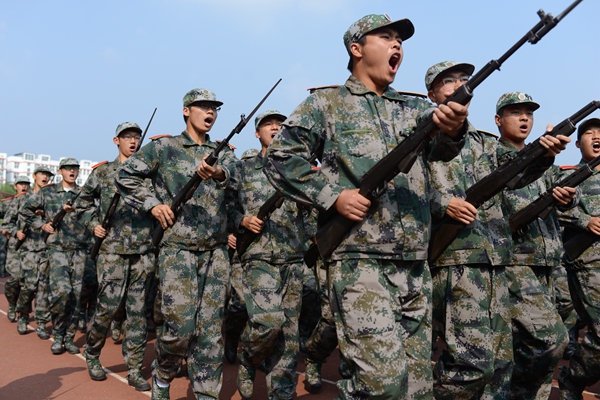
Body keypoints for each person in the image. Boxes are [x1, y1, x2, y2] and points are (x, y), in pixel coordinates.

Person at [263, 15, 471, 399]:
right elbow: (280, 158)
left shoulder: (413, 109)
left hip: (413, 263)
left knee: (417, 388)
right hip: (360, 262)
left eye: (400, 40)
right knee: (381, 386)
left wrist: (454, 127)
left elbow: (442, 152)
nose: (397, 45)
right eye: (386, 37)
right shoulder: (326, 104)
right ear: (356, 49)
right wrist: (333, 196)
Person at [424, 62, 570, 399]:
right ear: (432, 94)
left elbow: (514, 179)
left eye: (464, 79)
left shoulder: (485, 143)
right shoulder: (419, 134)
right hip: (455, 258)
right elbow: (401, 184)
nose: (459, 85)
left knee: (501, 366)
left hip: (496, 258)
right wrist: (442, 202)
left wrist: (542, 157)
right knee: (471, 366)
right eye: (449, 80)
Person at [115, 88, 238, 400]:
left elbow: (239, 181)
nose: (210, 112)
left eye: (214, 108)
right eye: (203, 107)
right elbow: (126, 175)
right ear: (186, 110)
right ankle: (164, 374)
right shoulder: (164, 147)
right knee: (180, 328)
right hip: (177, 250)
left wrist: (219, 173)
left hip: (215, 251)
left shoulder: (224, 152)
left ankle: (206, 393)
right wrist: (153, 205)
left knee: (211, 330)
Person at [496, 92, 573, 399]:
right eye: (516, 112)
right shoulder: (493, 157)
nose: (524, 118)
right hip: (517, 262)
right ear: (498, 120)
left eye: (528, 113)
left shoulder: (545, 163)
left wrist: (567, 197)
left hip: (550, 262)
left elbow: (565, 199)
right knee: (551, 340)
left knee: (533, 348)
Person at [230, 110, 310, 400]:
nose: (275, 127)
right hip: (258, 256)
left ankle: (282, 394)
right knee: (268, 322)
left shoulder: (297, 168)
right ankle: (248, 360)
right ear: (257, 133)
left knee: (289, 335)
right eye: (268, 124)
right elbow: (225, 207)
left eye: (280, 124)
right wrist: (242, 220)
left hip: (293, 256)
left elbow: (309, 210)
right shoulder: (242, 169)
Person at [77, 122, 156, 391]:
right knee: (107, 309)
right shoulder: (102, 173)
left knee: (137, 314)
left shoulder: (149, 175)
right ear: (116, 141)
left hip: (142, 252)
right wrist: (93, 224)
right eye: (127, 137)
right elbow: (82, 203)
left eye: (136, 137)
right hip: (111, 252)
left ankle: (134, 368)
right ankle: (92, 353)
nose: (133, 141)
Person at [20, 158, 91, 355]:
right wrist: (41, 224)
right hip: (57, 250)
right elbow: (25, 210)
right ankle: (58, 334)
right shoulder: (48, 192)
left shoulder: (83, 194)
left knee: (76, 296)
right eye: (68, 168)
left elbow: (94, 215)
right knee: (62, 293)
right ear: (60, 171)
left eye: (75, 169)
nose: (72, 171)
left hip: (79, 251)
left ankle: (68, 337)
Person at [558, 118, 600, 400]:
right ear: (577, 143)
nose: (596, 137)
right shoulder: (570, 176)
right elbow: (550, 206)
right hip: (589, 264)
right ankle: (572, 379)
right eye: (589, 133)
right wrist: (585, 221)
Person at [5, 167, 54, 338]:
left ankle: (41, 322)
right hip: (27, 250)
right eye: (42, 174)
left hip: (46, 249)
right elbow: (7, 223)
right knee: (27, 286)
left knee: (43, 288)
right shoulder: (21, 200)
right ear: (34, 176)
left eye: (48, 175)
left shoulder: (52, 199)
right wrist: (16, 232)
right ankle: (23, 315)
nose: (45, 177)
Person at [2, 175, 31, 323]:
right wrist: (10, 231)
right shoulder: (9, 203)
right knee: (14, 280)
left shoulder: (34, 200)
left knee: (29, 283)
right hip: (15, 247)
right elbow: (6, 223)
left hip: (32, 247)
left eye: (26, 184)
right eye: (21, 184)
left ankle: (24, 313)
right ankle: (12, 304)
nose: (24, 187)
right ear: (15, 186)